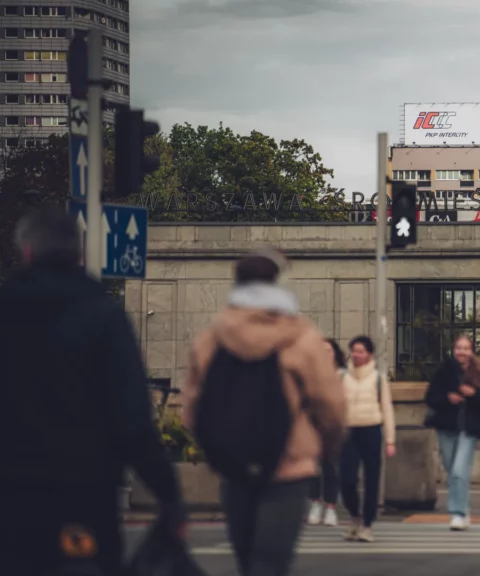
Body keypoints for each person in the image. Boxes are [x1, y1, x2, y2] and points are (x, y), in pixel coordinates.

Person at [0, 208, 184, 575]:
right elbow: (132, 417)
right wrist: (168, 494)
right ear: (79, 255)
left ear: (28, 252)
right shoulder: (103, 314)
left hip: (11, 494)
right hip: (83, 492)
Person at [183, 248, 346, 576]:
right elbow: (331, 406)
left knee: (245, 560)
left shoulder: (211, 339)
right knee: (271, 563)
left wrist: (217, 449)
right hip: (289, 466)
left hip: (234, 466)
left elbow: (192, 408)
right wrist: (323, 449)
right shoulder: (302, 338)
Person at [424, 334, 480, 531]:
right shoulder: (444, 372)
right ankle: (463, 506)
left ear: (472, 352)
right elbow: (431, 397)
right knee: (452, 471)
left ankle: (458, 513)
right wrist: (449, 398)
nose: (462, 352)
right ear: (453, 350)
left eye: (466, 348)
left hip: (469, 429)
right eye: (458, 348)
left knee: (458, 471)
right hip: (446, 427)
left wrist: (473, 395)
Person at [339, 336, 396, 543]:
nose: (356, 355)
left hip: (371, 430)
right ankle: (354, 515)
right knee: (346, 479)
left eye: (361, 351)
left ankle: (367, 524)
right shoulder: (341, 377)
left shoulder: (379, 379)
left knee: (372, 479)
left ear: (369, 354)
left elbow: (387, 410)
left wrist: (390, 440)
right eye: (354, 351)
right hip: (347, 432)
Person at [308, 338, 347, 527]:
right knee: (313, 468)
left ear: (335, 354)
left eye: (329, 351)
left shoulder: (344, 375)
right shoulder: (310, 375)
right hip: (313, 427)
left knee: (332, 468)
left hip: (336, 428)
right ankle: (316, 503)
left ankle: (330, 507)